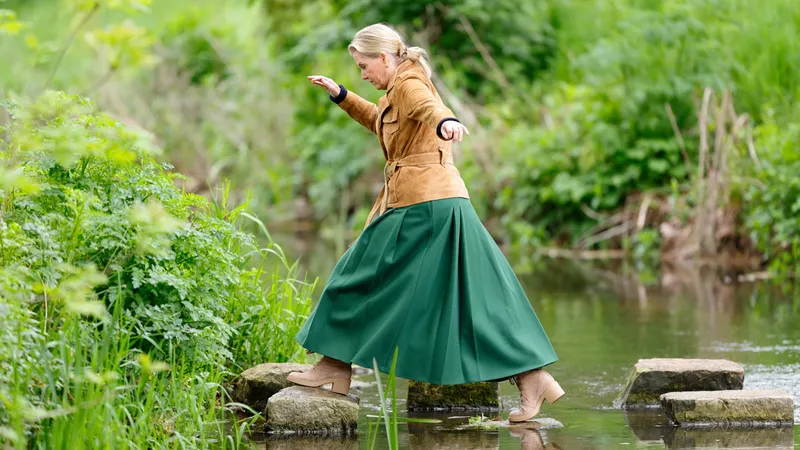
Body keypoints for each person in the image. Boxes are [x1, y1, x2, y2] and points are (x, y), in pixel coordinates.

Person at [287, 23, 563, 422]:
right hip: (437, 201)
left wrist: (446, 123)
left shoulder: (409, 83)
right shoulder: (393, 89)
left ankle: (334, 365)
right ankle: (531, 377)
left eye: (364, 66)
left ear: (384, 58)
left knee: (356, 276)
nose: (362, 74)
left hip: (424, 203)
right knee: (474, 295)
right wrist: (342, 96)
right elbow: (382, 122)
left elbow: (428, 109)